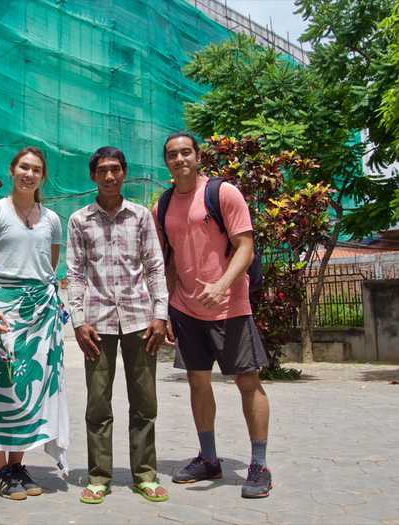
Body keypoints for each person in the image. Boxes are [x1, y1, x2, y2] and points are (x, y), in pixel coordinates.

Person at [155, 132, 272, 499]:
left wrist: (222, 285)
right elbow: (169, 260)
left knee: (247, 382)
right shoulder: (164, 203)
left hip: (230, 308)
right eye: (172, 155)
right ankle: (209, 458)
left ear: (198, 156)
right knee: (198, 382)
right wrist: (168, 308)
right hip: (187, 309)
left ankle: (258, 464)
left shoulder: (223, 193)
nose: (179, 159)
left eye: (185, 152)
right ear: (167, 162)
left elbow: (246, 246)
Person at [66, 146, 173, 504]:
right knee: (98, 404)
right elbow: (75, 273)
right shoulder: (80, 220)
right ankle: (98, 476)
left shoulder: (140, 216)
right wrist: (79, 322)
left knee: (145, 403)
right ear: (93, 176)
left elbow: (155, 267)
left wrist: (160, 314)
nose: (110, 176)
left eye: (115, 169)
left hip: (141, 321)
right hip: (97, 326)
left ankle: (145, 474)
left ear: (124, 173)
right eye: (102, 170)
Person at [0, 147, 69, 501]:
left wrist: (47, 301)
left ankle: (17, 465)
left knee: (32, 385)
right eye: (24, 167)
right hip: (4, 307)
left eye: (37, 170)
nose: (29, 174)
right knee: (1, 385)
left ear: (43, 177)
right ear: (12, 170)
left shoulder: (52, 219)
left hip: (42, 311)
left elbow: (50, 265)